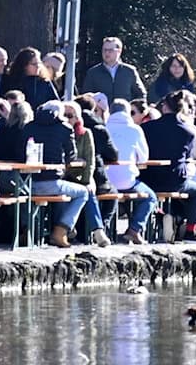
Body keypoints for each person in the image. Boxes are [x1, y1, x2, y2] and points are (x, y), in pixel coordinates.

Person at [139, 90, 196, 241]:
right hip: (175, 179)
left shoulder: (147, 128)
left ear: (164, 107)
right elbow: (191, 156)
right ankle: (190, 229)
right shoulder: (189, 131)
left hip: (149, 178)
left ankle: (162, 215)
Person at [22, 100, 87, 247]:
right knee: (83, 192)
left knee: (28, 198)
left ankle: (26, 229)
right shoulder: (64, 128)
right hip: (51, 182)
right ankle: (61, 231)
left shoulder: (28, 126)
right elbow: (71, 156)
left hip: (26, 183)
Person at [105, 99, 158, 243]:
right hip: (127, 181)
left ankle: (107, 230)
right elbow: (143, 158)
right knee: (151, 197)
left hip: (105, 181)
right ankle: (134, 229)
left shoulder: (104, 127)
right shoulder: (135, 129)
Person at [63, 102, 113, 247]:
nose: (67, 119)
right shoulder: (59, 132)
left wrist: (86, 180)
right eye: (64, 115)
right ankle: (69, 227)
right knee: (84, 192)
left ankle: (97, 231)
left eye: (70, 116)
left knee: (88, 190)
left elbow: (90, 161)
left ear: (77, 118)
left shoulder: (85, 134)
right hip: (64, 176)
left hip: (79, 176)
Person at [82, 37, 146, 102]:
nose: (107, 53)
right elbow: (86, 97)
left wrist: (133, 109)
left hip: (124, 111)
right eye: (104, 50)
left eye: (110, 50)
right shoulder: (93, 73)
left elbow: (141, 95)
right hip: (102, 111)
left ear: (119, 51)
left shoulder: (129, 71)